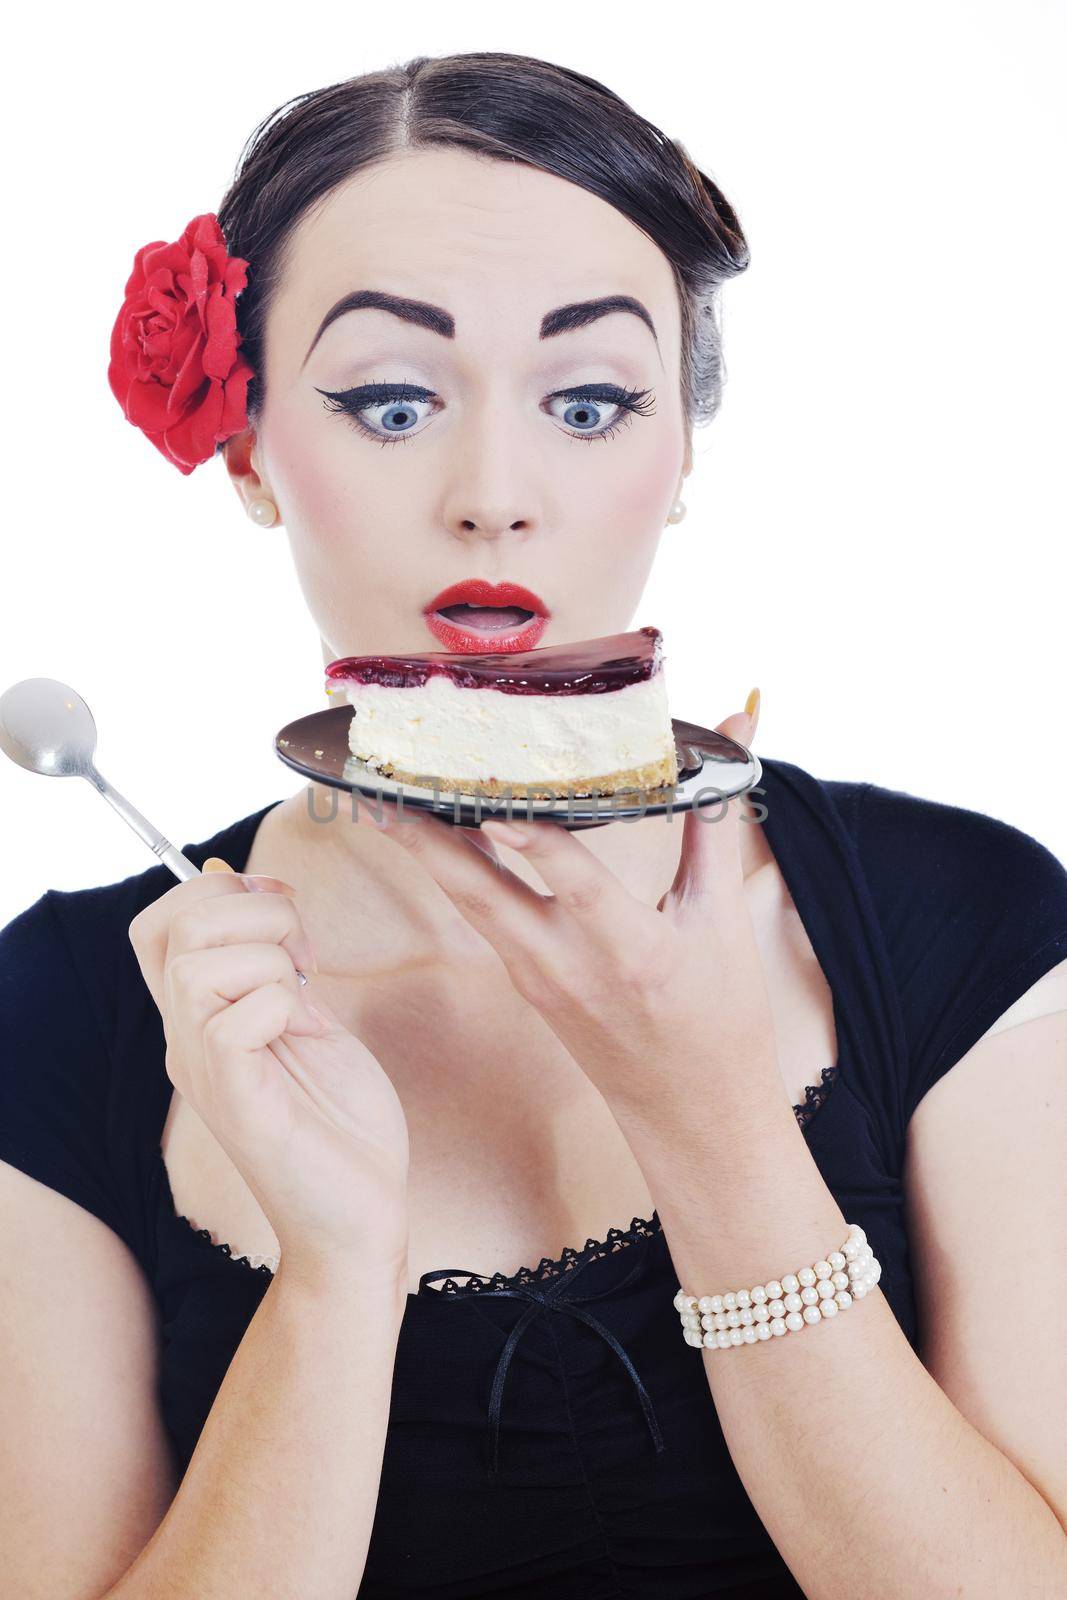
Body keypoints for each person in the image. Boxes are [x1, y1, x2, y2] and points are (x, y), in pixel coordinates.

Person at [3, 51, 1066, 1600]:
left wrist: (706, 1120)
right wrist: (334, 1277)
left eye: (589, 401)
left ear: (680, 448)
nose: (495, 493)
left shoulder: (967, 923)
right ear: (243, 450)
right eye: (389, 401)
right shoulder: (64, 1016)